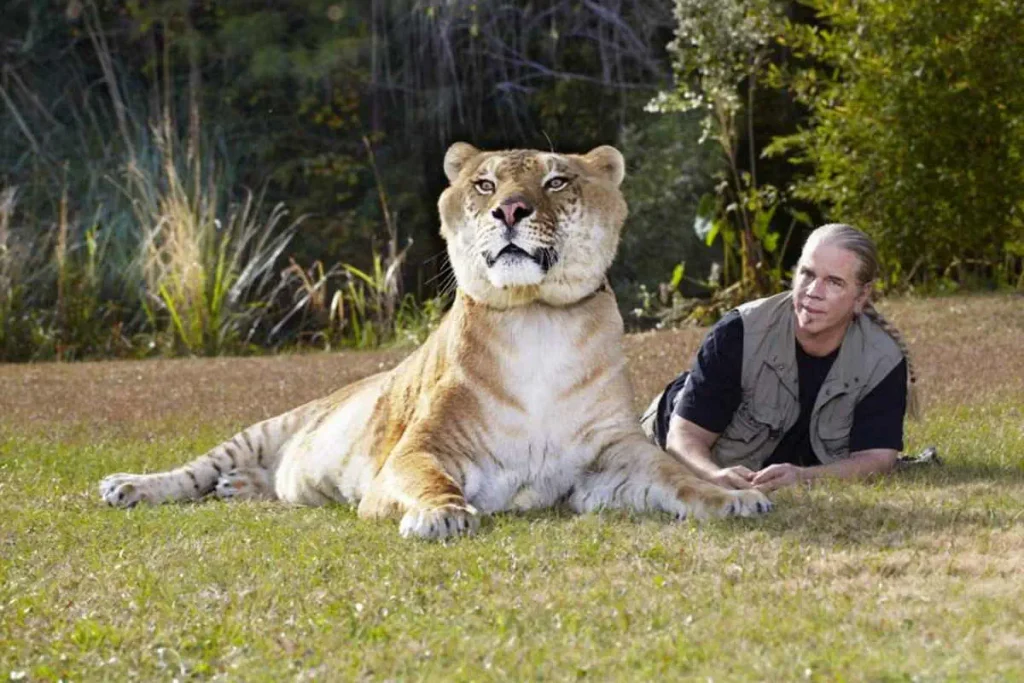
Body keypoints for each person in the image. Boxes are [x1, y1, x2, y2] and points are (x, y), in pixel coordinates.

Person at [640, 223, 920, 493]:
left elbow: (877, 459)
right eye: (807, 274)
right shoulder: (740, 332)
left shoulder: (883, 359)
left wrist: (804, 477)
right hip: (669, 429)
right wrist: (713, 476)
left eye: (834, 282)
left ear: (861, 296)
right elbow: (683, 438)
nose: (813, 293)